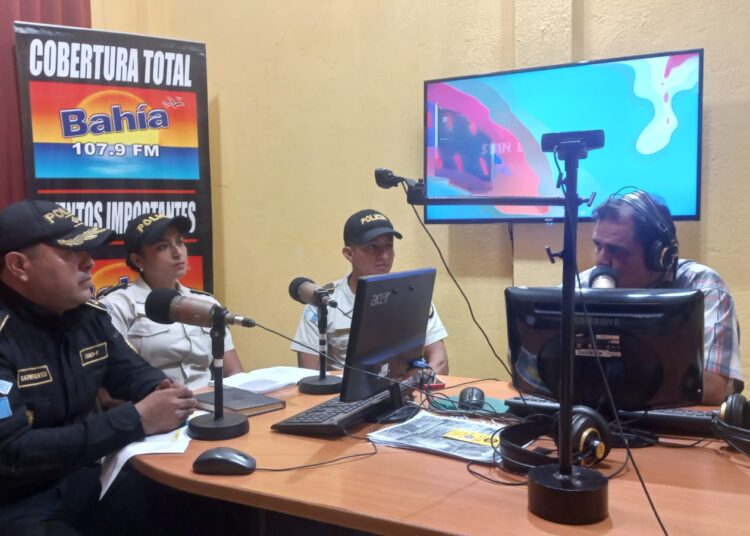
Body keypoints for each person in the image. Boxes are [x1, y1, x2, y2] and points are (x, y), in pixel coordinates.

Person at [0, 200, 198, 533]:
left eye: (87, 251)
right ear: (19, 265)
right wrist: (136, 419)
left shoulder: (87, 316)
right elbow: (12, 452)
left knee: (200, 505)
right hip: (18, 500)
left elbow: (133, 373)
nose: (89, 262)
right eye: (70, 253)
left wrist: (163, 391)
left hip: (88, 478)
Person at [582, 189, 743, 405]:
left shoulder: (704, 287)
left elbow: (712, 387)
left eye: (616, 251)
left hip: (674, 422)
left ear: (659, 255)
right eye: (598, 246)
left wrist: (602, 378)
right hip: (599, 416)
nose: (601, 260)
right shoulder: (586, 283)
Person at [291, 209, 449, 374]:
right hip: (343, 389)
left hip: (407, 387)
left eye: (388, 246)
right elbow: (309, 374)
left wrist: (419, 382)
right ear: (349, 254)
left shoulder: (413, 295)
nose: (384, 255)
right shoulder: (323, 301)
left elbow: (440, 361)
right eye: (372, 247)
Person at [99, 213, 243, 389]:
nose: (177, 253)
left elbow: (234, 372)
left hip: (211, 400)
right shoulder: (118, 304)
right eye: (163, 247)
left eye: (180, 242)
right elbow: (107, 385)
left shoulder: (205, 302)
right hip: (155, 402)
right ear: (138, 260)